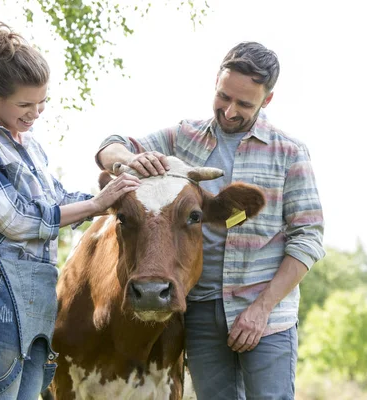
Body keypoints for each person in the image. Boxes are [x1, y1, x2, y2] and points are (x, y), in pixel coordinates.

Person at [96, 42, 325, 399]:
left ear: (267, 101)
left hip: (265, 314)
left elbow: (308, 238)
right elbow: (110, 145)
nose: (229, 111)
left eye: (244, 104)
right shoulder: (183, 138)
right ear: (216, 83)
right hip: (201, 309)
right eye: (223, 97)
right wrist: (128, 159)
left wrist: (262, 308)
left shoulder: (290, 153)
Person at [0, 22, 140, 399]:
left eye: (42, 102)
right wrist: (98, 204)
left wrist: (118, 198)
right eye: (24, 104)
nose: (36, 113)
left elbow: (56, 200)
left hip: (38, 289)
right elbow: (15, 219)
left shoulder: (30, 145)